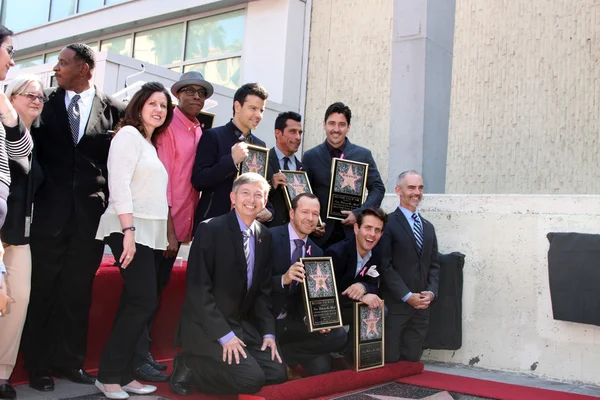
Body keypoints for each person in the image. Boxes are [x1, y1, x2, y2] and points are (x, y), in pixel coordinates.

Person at [21, 43, 125, 392]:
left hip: (88, 219)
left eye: (63, 64)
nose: (56, 69)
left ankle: (69, 363)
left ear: (84, 68)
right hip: (46, 216)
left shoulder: (114, 110)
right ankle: (37, 366)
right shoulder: (42, 101)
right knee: (43, 291)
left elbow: (117, 167)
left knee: (77, 293)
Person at [131, 71, 214, 383]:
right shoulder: (167, 128)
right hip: (158, 226)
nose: (195, 96)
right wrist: (168, 229)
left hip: (180, 228)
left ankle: (142, 353)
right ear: (178, 94)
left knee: (155, 294)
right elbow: (162, 181)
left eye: (201, 93)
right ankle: (136, 357)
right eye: (189, 91)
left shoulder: (199, 131)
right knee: (145, 296)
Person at [170, 173, 286, 396]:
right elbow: (198, 291)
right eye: (245, 193)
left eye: (258, 195)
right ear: (232, 197)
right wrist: (224, 336)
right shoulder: (210, 229)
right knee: (251, 380)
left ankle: (229, 364)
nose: (251, 200)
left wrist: (268, 334)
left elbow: (262, 293)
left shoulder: (264, 236)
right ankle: (191, 365)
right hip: (208, 325)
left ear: (264, 202)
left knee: (276, 372)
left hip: (240, 324)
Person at [93, 82, 173, 399]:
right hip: (129, 227)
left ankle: (123, 374)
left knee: (135, 301)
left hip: (148, 231)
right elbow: (119, 184)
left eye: (163, 106)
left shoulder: (148, 143)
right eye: (152, 103)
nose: (158, 110)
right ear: (138, 105)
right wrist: (128, 232)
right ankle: (109, 375)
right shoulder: (127, 136)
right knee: (143, 300)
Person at [0, 74, 45, 400]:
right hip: (0, 231)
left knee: (19, 303)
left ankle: (1, 375)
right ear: (10, 99)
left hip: (22, 235)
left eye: (40, 97)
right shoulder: (4, 135)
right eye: (28, 94)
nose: (35, 100)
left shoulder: (34, 141)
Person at [270, 193, 347, 376]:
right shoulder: (269, 237)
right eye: (305, 212)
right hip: (268, 318)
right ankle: (279, 358)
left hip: (294, 324)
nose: (310, 218)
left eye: (315, 213)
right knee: (318, 366)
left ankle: (285, 354)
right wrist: (283, 279)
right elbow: (253, 283)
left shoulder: (317, 251)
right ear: (291, 213)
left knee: (338, 336)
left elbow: (310, 297)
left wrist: (316, 319)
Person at [302, 102, 385, 250]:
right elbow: (305, 194)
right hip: (320, 237)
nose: (336, 129)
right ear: (324, 125)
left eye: (341, 124)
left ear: (348, 127)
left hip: (352, 236)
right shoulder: (310, 156)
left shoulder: (362, 155)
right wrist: (313, 222)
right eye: (332, 123)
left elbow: (378, 188)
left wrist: (359, 214)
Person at [191, 83, 273, 231]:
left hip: (247, 230)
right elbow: (198, 180)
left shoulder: (260, 145)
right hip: (213, 226)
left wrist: (270, 212)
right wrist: (231, 161)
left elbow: (262, 186)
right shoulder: (213, 136)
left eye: (261, 110)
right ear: (237, 106)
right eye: (253, 108)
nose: (258, 115)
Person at [380, 170, 440, 363]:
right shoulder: (387, 224)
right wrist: (407, 296)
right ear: (398, 190)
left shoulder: (428, 227)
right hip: (397, 307)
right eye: (411, 187)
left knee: (412, 361)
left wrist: (430, 293)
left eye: (420, 187)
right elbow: (385, 265)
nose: (417, 192)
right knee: (391, 360)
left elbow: (434, 265)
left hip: (421, 310)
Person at [325, 207, 386, 358]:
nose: (372, 234)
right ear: (356, 228)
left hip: (349, 306)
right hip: (330, 311)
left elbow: (373, 282)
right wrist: (360, 297)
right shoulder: (336, 253)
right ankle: (333, 348)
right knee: (322, 367)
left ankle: (352, 355)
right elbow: (325, 298)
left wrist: (363, 286)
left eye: (377, 230)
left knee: (380, 308)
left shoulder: (377, 253)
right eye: (368, 228)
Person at [266, 111, 303, 227]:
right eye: (292, 132)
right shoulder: (263, 161)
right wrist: (270, 184)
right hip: (266, 234)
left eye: (300, 133)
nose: (298, 137)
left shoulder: (303, 168)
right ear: (278, 133)